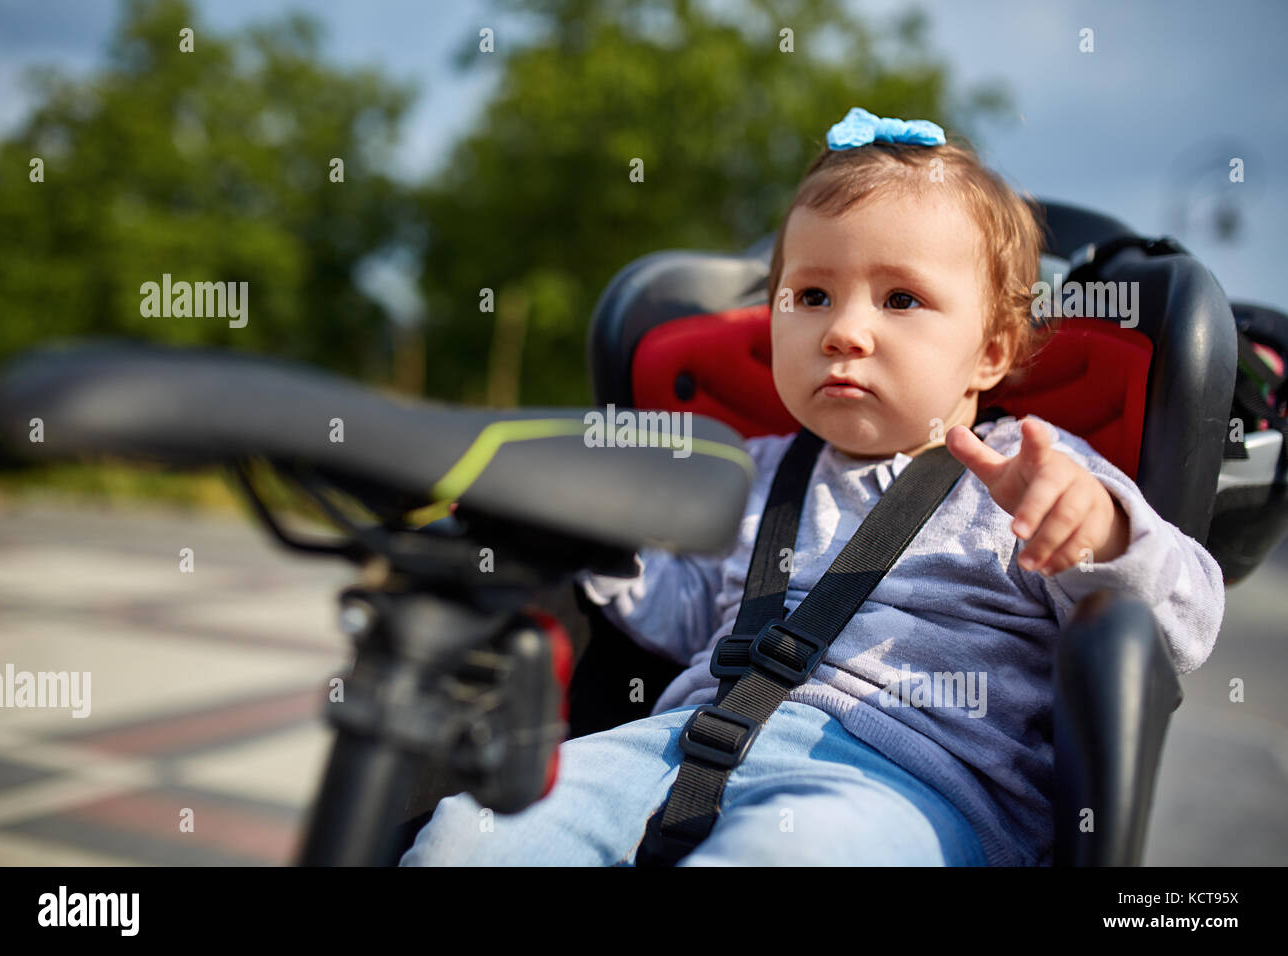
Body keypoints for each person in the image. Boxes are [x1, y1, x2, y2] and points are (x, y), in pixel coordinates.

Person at [400, 107, 1225, 867]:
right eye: (812, 296)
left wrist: (1102, 537)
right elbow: (684, 608)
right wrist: (581, 537)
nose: (844, 330)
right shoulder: (754, 468)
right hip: (679, 745)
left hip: (910, 785)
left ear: (992, 350)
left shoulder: (1039, 472)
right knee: (466, 831)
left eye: (901, 299)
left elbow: (1186, 620)